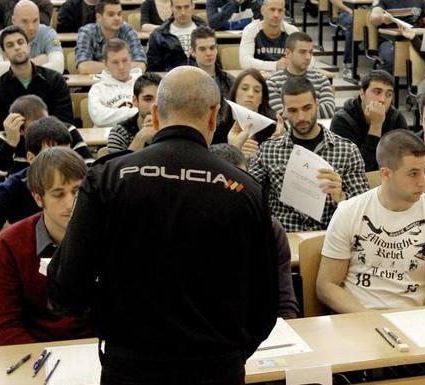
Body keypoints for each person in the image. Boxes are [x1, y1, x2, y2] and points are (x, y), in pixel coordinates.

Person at [47, 66, 278, 384]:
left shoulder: (107, 178)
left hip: (130, 365)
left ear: (154, 114)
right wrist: (230, 355)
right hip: (216, 367)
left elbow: (66, 288)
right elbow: (265, 304)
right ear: (214, 117)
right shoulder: (245, 189)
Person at [316, 129, 425, 313]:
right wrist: (371, 319)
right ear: (386, 174)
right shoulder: (349, 211)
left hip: (416, 320)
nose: (423, 182)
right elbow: (327, 286)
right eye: (413, 173)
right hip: (357, 317)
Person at [0, 145, 92, 346]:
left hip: (96, 352)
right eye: (58, 194)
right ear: (38, 198)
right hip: (37, 356)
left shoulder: (105, 232)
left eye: (76, 191)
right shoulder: (10, 243)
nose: (71, 203)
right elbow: (5, 326)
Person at [248, 77, 369, 231]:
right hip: (285, 239)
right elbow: (247, 195)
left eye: (307, 108)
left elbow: (364, 211)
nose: (301, 117)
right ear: (283, 111)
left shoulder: (347, 151)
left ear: (317, 105)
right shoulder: (269, 150)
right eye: (292, 110)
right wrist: (238, 149)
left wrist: (342, 198)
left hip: (329, 237)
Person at [0, 116, 76, 261]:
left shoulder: (82, 182)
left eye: (66, 155)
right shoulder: (11, 188)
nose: (61, 165)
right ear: (31, 158)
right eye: (51, 157)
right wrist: (24, 253)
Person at [210, 143, 299, 319]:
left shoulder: (270, 228)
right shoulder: (190, 225)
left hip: (257, 326)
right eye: (226, 182)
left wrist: (288, 327)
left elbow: (284, 299)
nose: (234, 190)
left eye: (240, 182)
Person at [0, 95, 92, 196]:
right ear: (21, 129)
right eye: (34, 127)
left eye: (45, 121)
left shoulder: (65, 131)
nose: (42, 128)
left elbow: (91, 173)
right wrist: (10, 145)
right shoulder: (8, 139)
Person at [0, 26, 74, 132]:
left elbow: (66, 124)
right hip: (13, 145)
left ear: (28, 47)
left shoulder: (55, 81)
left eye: (20, 42)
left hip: (50, 143)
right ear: (5, 54)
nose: (17, 47)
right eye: (10, 45)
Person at [330, 70, 408, 171]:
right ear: (362, 94)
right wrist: (376, 125)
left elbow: (405, 160)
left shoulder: (396, 118)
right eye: (377, 92)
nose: (383, 99)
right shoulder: (342, 121)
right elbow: (359, 169)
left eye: (388, 94)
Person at [0, 0, 63, 78]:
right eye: (24, 21)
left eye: (35, 21)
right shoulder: (2, 36)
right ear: (14, 20)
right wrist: (37, 62)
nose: (31, 27)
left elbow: (58, 67)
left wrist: (14, 64)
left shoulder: (50, 34)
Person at [266, 32, 335, 119]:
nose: (308, 57)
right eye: (302, 52)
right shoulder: (273, 82)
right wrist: (311, 109)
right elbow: (280, 115)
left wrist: (294, 111)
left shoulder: (321, 79)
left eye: (310, 52)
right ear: (287, 53)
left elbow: (328, 111)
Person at [218, 68, 280, 156]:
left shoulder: (274, 128)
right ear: (235, 94)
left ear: (262, 98)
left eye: (257, 90)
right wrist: (234, 150)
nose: (250, 94)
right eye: (244, 88)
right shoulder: (221, 128)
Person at [75, 0, 147, 75]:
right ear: (99, 17)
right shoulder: (87, 32)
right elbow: (83, 67)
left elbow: (141, 65)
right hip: (94, 84)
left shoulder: (128, 30)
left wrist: (108, 67)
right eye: (111, 15)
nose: (117, 18)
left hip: (124, 83)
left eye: (119, 14)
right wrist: (120, 67)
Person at [88, 39, 143, 128]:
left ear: (131, 59)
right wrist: (137, 112)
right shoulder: (98, 89)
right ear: (105, 63)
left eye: (125, 60)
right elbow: (99, 118)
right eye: (115, 62)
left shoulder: (143, 84)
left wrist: (112, 114)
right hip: (106, 139)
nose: (121, 67)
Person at [369, 0, 425, 76]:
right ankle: (386, 84)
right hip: (390, 40)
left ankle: (419, 85)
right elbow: (374, 17)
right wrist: (382, 17)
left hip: (414, 40)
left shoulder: (420, 1)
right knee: (391, 60)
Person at [189, 26, 233, 129]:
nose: (209, 53)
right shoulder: (185, 82)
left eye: (212, 48)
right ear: (192, 52)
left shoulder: (230, 81)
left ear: (217, 49)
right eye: (202, 49)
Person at [239, 0, 302, 71]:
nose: (276, 15)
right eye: (272, 9)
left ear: (284, 12)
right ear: (262, 10)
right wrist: (275, 65)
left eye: (280, 10)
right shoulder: (251, 30)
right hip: (258, 79)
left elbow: (307, 60)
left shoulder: (292, 31)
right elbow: (245, 63)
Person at [107, 72, 162, 152]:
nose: (154, 105)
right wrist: (141, 137)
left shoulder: (173, 129)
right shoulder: (119, 132)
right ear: (135, 101)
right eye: (147, 99)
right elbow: (116, 164)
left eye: (160, 99)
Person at [146, 0, 207, 72]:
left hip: (201, 78)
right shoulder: (158, 35)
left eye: (186, 7)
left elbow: (216, 65)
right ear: (171, 7)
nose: (183, 12)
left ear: (193, 6)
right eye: (178, 8)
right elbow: (152, 68)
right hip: (170, 79)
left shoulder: (205, 31)